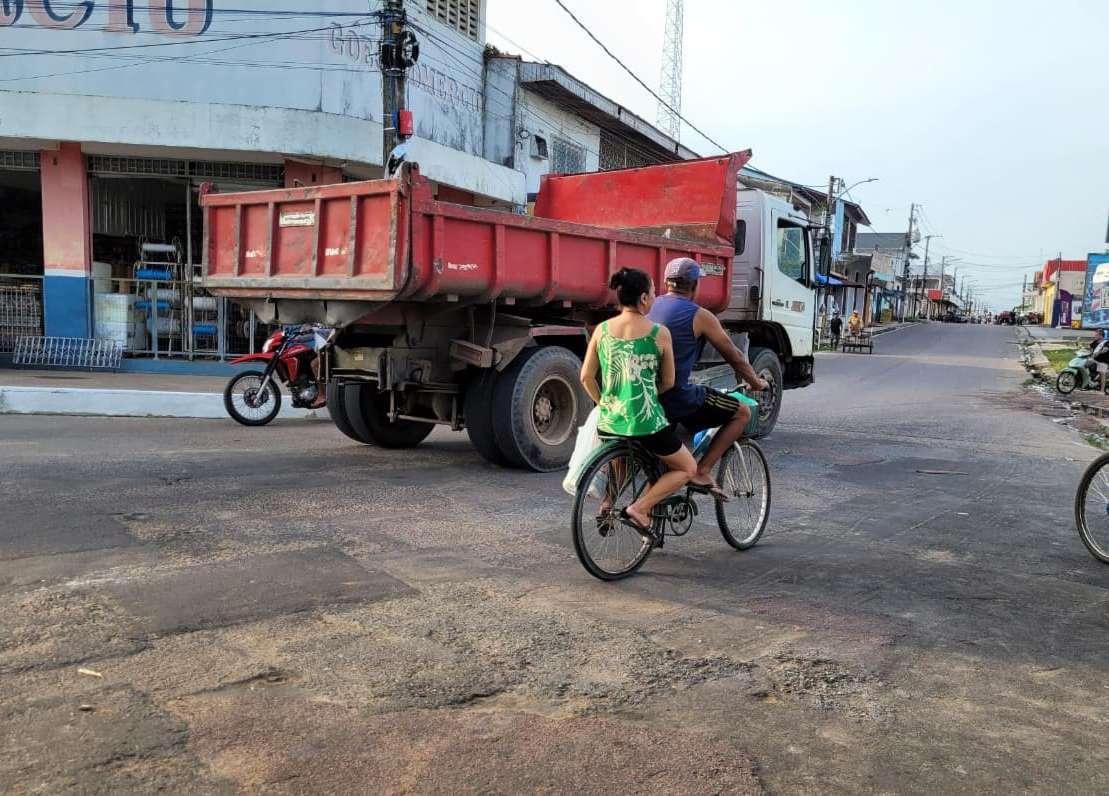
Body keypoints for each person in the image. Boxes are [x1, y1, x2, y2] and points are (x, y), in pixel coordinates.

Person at [580, 268, 697, 536]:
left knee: (622, 461)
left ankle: (608, 504)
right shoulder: (659, 332)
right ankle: (640, 508)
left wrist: (605, 403)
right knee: (688, 468)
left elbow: (586, 376)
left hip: (610, 421)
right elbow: (668, 381)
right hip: (646, 421)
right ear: (643, 298)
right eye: (654, 292)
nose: (656, 297)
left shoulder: (602, 330)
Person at [646, 257, 769, 500]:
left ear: (666, 283)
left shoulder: (649, 306)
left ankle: (609, 500)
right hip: (675, 397)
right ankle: (702, 470)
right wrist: (756, 382)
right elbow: (734, 356)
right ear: (694, 286)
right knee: (741, 412)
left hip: (644, 395)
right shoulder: (700, 315)